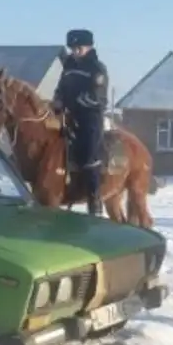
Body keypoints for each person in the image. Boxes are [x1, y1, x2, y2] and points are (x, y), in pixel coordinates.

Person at [52, 29, 109, 216]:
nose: (75, 52)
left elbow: (95, 97)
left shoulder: (96, 68)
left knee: (88, 155)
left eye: (79, 48)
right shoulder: (68, 67)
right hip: (68, 115)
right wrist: (57, 100)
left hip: (89, 117)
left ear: (89, 47)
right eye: (73, 48)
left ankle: (95, 199)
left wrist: (72, 103)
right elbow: (60, 88)